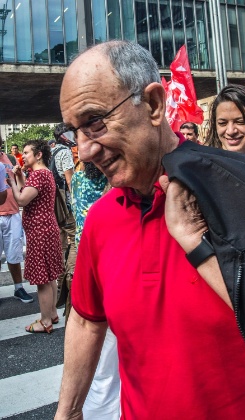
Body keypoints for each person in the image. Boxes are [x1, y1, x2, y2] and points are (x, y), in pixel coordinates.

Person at [55, 41, 245, 419]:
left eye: (95, 122)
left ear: (152, 104)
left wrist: (198, 245)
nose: (85, 150)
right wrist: (67, 413)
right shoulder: (101, 219)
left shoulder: (241, 187)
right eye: (74, 132)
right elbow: (87, 319)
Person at [71, 161, 120, 419]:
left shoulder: (77, 179)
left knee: (103, 363)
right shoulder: (109, 203)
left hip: (85, 253)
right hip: (103, 263)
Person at [8, 139, 63, 333]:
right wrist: (21, 177)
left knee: (42, 280)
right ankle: (53, 313)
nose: (23, 156)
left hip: (39, 232)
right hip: (46, 229)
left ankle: (45, 321)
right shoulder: (43, 173)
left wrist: (12, 182)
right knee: (50, 276)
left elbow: (22, 198)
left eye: (27, 152)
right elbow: (28, 191)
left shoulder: (38, 175)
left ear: (38, 154)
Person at [0, 135, 33, 303]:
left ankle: (18, 288)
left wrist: (19, 174)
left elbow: (21, 185)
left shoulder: (10, 158)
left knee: (14, 254)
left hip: (12, 212)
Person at [51, 124, 76, 320]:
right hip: (65, 203)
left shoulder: (53, 150)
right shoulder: (65, 152)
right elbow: (69, 180)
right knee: (73, 240)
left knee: (60, 244)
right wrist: (76, 202)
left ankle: (59, 284)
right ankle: (67, 283)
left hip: (54, 203)